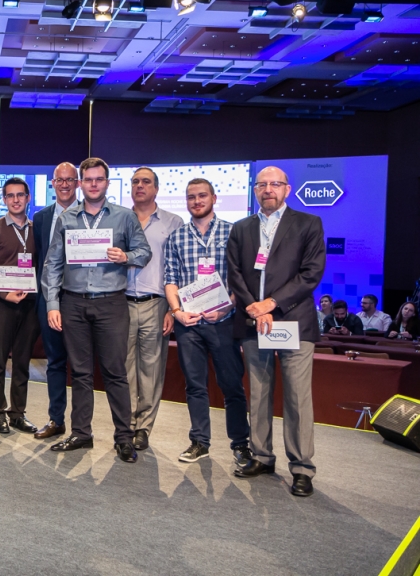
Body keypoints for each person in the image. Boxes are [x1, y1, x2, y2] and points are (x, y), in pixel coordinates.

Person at [43, 157, 152, 461]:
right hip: (73, 302)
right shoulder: (67, 218)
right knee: (79, 372)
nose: (93, 184)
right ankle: (81, 433)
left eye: (99, 179)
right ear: (81, 183)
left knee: (115, 372)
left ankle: (124, 437)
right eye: (88, 179)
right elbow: (53, 264)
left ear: (107, 183)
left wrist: (125, 256)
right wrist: (52, 304)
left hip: (111, 303)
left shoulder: (124, 217)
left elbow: (144, 252)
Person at [227, 165, 326, 497]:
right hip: (254, 322)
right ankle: (262, 456)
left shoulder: (308, 223)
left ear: (287, 189)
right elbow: (234, 273)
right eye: (262, 184)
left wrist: (271, 304)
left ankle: (302, 467)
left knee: (297, 397)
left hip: (294, 321)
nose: (268, 189)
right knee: (259, 393)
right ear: (255, 190)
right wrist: (254, 308)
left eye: (275, 184)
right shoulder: (241, 228)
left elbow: (311, 273)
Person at [164, 178, 251, 465]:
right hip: (189, 323)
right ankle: (199, 442)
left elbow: (241, 279)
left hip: (224, 321)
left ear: (214, 198)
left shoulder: (233, 232)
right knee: (195, 386)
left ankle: (241, 444)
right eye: (191, 197)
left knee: (232, 385)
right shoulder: (176, 237)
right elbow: (170, 279)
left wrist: (227, 306)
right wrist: (176, 312)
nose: (197, 201)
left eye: (202, 196)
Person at [125, 167, 183, 451]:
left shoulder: (173, 222)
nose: (140, 186)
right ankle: (126, 424)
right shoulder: (120, 219)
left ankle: (143, 428)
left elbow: (180, 268)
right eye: (135, 181)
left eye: (146, 181)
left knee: (151, 369)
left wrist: (173, 309)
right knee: (124, 368)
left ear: (156, 188)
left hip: (156, 304)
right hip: (121, 302)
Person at [0, 177, 40, 435]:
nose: (16, 200)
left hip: (30, 305)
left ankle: (18, 413)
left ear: (28, 198)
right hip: (1, 304)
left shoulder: (37, 229)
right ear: (4, 200)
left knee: (23, 362)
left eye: (20, 195)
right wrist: (5, 294)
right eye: (10, 196)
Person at [31, 162, 79, 440]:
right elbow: (40, 260)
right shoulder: (41, 218)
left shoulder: (89, 214)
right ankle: (56, 419)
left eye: (69, 180)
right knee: (55, 361)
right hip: (48, 298)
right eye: (59, 180)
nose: (64, 185)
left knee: (81, 364)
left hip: (79, 298)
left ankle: (82, 426)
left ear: (77, 183)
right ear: (52, 184)